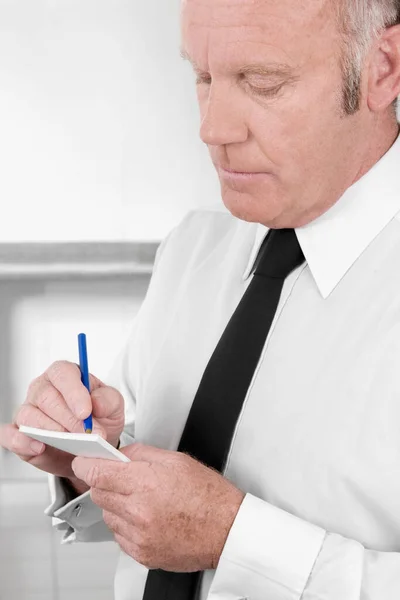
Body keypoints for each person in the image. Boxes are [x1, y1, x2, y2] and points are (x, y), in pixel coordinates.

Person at [1, 0, 400, 598]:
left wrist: (231, 538)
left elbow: (205, 530)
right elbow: (157, 511)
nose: (212, 128)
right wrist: (91, 456)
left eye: (263, 83)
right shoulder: (192, 250)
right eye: (204, 77)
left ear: (383, 69)